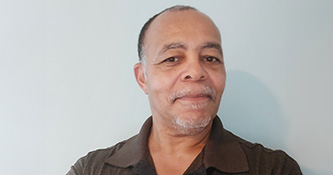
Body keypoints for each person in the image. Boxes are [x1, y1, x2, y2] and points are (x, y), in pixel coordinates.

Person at [67, 5, 302, 175]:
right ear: (142, 79)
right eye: (172, 59)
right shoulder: (92, 169)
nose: (196, 71)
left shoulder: (273, 169)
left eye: (210, 58)